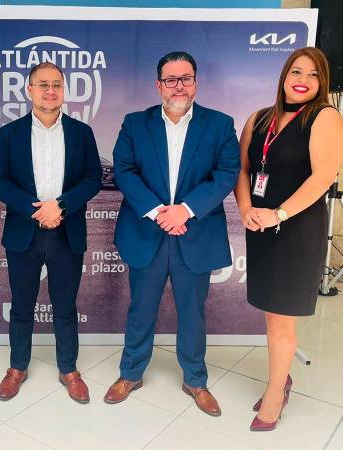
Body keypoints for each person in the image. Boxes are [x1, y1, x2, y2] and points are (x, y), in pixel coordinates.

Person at [105, 51, 240, 416]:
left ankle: (195, 380)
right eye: (171, 79)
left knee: (193, 312)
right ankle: (130, 374)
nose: (179, 86)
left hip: (194, 233)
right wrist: (158, 212)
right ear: (159, 85)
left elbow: (226, 173)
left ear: (195, 82)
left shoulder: (220, 124)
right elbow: (124, 171)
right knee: (140, 309)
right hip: (147, 232)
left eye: (186, 78)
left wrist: (186, 209)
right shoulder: (135, 124)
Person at [234, 47, 343, 431]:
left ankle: (275, 392)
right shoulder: (259, 118)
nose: (303, 80)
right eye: (297, 71)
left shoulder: (324, 116)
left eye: (313, 74)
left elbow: (323, 177)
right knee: (271, 314)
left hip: (296, 230)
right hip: (260, 228)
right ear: (284, 75)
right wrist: (246, 209)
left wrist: (278, 214)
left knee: (282, 321)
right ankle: (282, 377)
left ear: (322, 82)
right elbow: (242, 170)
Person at [0, 62, 101, 403]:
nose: (50, 91)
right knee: (21, 305)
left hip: (67, 232)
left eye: (56, 85)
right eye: (42, 85)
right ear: (29, 90)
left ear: (64, 90)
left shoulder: (82, 133)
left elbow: (92, 179)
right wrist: (36, 209)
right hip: (25, 231)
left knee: (65, 306)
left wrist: (61, 206)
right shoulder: (10, 133)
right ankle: (17, 368)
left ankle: (69, 369)